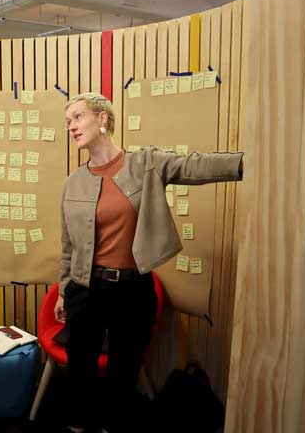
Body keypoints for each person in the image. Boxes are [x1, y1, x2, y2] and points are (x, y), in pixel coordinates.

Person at [55, 93, 244, 433]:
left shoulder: (144, 164)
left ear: (102, 119)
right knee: (80, 369)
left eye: (78, 117)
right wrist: (62, 292)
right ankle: (80, 425)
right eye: (68, 121)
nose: (71, 126)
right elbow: (68, 245)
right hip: (86, 289)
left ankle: (111, 425)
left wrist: (246, 163)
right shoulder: (73, 183)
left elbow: (193, 165)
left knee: (122, 372)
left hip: (132, 289)